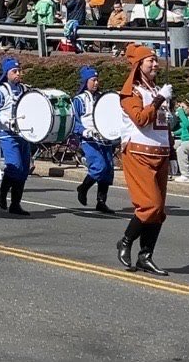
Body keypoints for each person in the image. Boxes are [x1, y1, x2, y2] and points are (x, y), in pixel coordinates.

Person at [116, 44, 173, 276]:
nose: (156, 64)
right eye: (151, 60)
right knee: (150, 205)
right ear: (139, 65)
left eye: (156, 60)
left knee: (159, 212)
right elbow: (140, 118)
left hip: (160, 153)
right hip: (139, 154)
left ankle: (145, 256)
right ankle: (125, 241)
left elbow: (160, 123)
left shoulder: (157, 89)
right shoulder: (132, 92)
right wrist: (159, 100)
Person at [0, 56, 33, 215]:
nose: (18, 74)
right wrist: (1, 117)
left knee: (24, 170)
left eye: (19, 71)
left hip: (23, 134)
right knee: (14, 166)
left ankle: (15, 204)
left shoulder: (25, 90)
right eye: (14, 71)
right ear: (7, 73)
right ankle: (3, 192)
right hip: (7, 133)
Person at [72, 66, 117, 213]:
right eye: (93, 80)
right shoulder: (79, 100)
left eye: (97, 80)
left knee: (108, 169)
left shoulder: (102, 98)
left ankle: (101, 201)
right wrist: (84, 131)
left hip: (104, 137)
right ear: (86, 82)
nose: (96, 83)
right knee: (99, 166)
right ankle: (83, 188)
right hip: (90, 139)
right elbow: (74, 121)